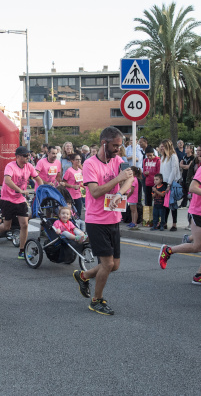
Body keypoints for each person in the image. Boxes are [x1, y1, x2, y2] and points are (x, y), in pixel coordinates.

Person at [72, 127, 134, 315]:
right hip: (96, 220)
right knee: (107, 264)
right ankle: (96, 300)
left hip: (114, 218)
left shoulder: (119, 161)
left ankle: (84, 276)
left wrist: (119, 193)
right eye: (115, 145)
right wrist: (118, 179)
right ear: (103, 143)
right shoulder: (90, 164)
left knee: (114, 265)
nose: (118, 149)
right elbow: (96, 192)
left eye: (120, 145)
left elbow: (129, 179)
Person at [158, 140, 201, 284]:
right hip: (198, 211)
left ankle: (199, 275)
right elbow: (192, 187)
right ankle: (168, 250)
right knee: (198, 246)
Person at [0, 146, 44, 258]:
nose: (28, 157)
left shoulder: (29, 166)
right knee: (6, 226)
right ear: (18, 156)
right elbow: (7, 180)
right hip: (7, 199)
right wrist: (20, 190)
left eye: (28, 155)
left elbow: (38, 179)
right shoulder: (10, 166)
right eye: (25, 155)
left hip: (20, 200)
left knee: (24, 225)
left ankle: (22, 251)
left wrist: (41, 190)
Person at [159, 139, 180, 231]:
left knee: (172, 204)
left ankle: (174, 224)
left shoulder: (173, 156)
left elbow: (173, 171)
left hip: (171, 182)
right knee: (165, 204)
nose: (161, 148)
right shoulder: (163, 157)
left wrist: (169, 184)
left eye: (163, 146)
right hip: (164, 182)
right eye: (161, 146)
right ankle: (164, 222)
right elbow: (162, 170)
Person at [62, 153, 84, 219]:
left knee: (79, 213)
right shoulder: (69, 171)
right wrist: (72, 186)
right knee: (70, 214)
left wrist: (83, 186)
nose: (79, 161)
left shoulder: (80, 171)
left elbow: (81, 182)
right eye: (77, 160)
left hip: (79, 195)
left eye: (80, 159)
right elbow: (63, 183)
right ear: (72, 161)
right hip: (70, 195)